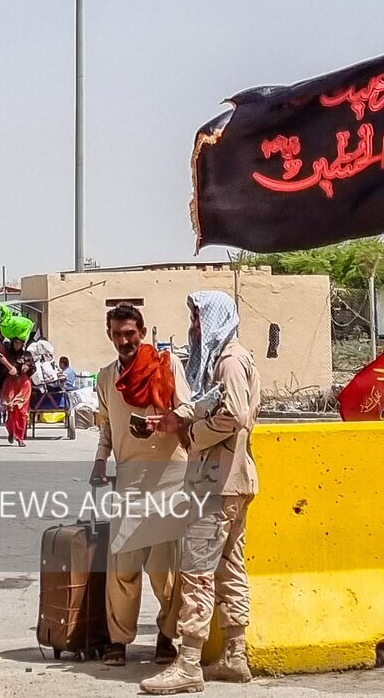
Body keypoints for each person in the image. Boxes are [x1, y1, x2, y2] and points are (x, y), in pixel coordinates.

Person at [141, 291, 261, 695]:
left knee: (197, 573)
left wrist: (192, 435)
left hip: (216, 484)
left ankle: (189, 663)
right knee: (229, 568)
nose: (194, 326)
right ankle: (235, 655)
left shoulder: (229, 361)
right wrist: (177, 418)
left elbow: (234, 414)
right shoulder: (232, 359)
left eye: (198, 318)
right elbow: (211, 403)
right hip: (233, 482)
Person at [91, 303, 192, 667]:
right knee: (122, 566)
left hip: (169, 479)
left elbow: (188, 409)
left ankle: (167, 636)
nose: (124, 341)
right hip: (129, 480)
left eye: (130, 334)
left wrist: (164, 422)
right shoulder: (106, 377)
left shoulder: (167, 365)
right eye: (118, 334)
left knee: (165, 569)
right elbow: (106, 424)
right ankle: (118, 640)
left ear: (143, 333)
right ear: (109, 335)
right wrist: (100, 459)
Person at [3, 357, 34, 445]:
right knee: (11, 416)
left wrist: (16, 401)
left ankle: (20, 438)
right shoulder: (9, 379)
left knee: (22, 416)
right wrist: (10, 401)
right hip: (12, 396)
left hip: (22, 398)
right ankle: (11, 431)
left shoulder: (26, 380)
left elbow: (24, 392)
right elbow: (8, 391)